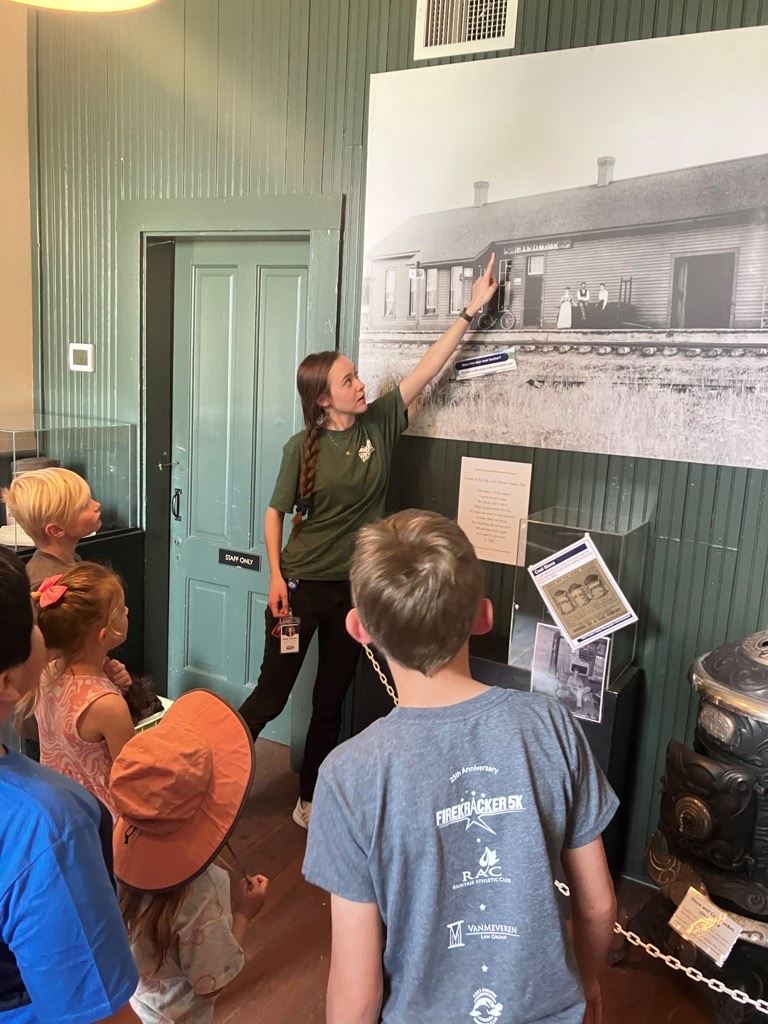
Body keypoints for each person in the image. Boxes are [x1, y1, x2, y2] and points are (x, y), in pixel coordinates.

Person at [303, 510, 618, 1024]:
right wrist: (586, 984)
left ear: (359, 628)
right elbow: (599, 904)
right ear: (483, 616)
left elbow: (356, 993)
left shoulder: (346, 775)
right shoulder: (550, 724)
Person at [239, 256, 499, 829]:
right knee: (272, 694)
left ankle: (309, 800)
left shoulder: (380, 421)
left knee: (330, 701)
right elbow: (274, 514)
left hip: (353, 593)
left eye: (357, 376)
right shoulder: (297, 448)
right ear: (323, 400)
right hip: (301, 591)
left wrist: (469, 311)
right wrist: (277, 578)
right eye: (349, 381)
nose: (362, 385)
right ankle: (218, 781)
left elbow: (428, 368)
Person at [0, 546, 140, 1024]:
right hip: (95, 809)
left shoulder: (51, 679)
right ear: (7, 680)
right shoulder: (50, 829)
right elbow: (128, 771)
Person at [112, 690, 269, 1024]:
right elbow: (210, 984)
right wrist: (243, 914)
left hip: (134, 1007)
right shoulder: (202, 894)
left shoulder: (115, 860)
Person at [33, 562, 135, 816]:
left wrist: (108, 677)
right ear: (104, 634)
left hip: (55, 803)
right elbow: (133, 776)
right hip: (100, 817)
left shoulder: (44, 672)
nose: (127, 611)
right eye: (121, 609)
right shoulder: (108, 705)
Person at [3, 467, 102, 589]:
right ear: (56, 530)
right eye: (84, 506)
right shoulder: (51, 584)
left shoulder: (68, 560)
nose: (97, 505)